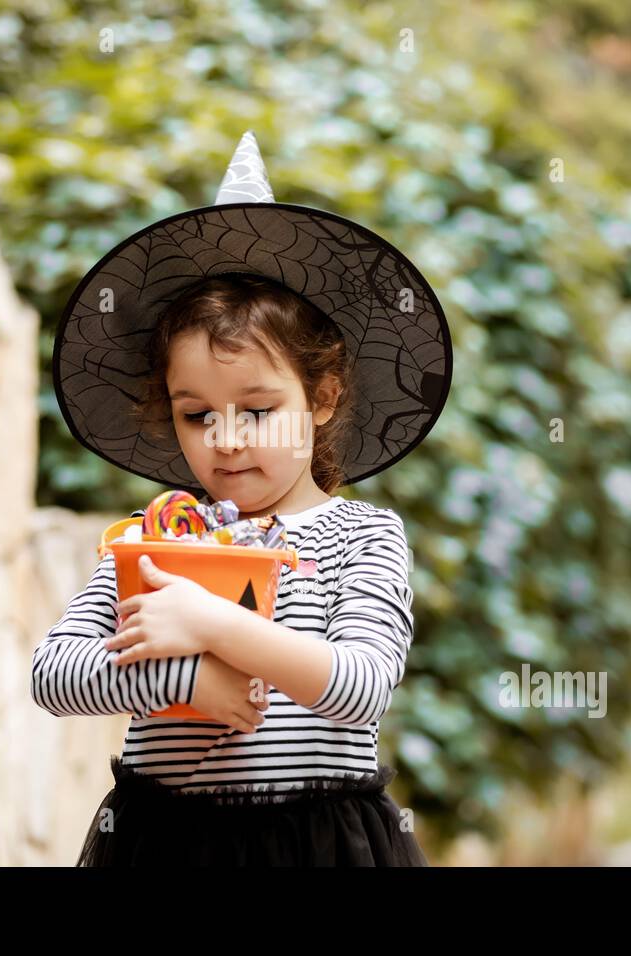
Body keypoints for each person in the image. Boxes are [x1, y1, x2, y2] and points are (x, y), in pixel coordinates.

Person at [32, 131, 452, 866]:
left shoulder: (363, 537)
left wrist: (208, 621)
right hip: (163, 844)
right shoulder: (156, 538)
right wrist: (188, 677)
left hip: (319, 847)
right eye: (197, 414)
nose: (224, 439)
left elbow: (361, 687)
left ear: (322, 397)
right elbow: (54, 673)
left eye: (256, 410)